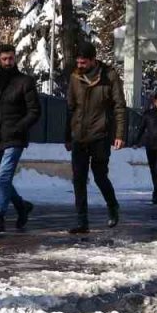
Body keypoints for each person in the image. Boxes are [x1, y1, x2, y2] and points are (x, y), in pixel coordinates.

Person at [65, 42, 126, 234]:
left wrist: (120, 134)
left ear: (93, 60)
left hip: (100, 133)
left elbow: (119, 107)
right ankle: (82, 221)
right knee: (79, 179)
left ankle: (112, 206)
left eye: (84, 62)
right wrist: (67, 135)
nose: (80, 65)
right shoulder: (75, 77)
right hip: (79, 135)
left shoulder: (110, 76)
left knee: (100, 176)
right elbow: (70, 108)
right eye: (78, 62)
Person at [0, 44, 41, 233]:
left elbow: (35, 111)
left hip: (15, 137)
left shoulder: (25, 81)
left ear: (15, 58)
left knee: (4, 176)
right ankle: (21, 206)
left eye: (11, 58)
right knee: (1, 180)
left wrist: (19, 128)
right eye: (4, 59)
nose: (8, 62)